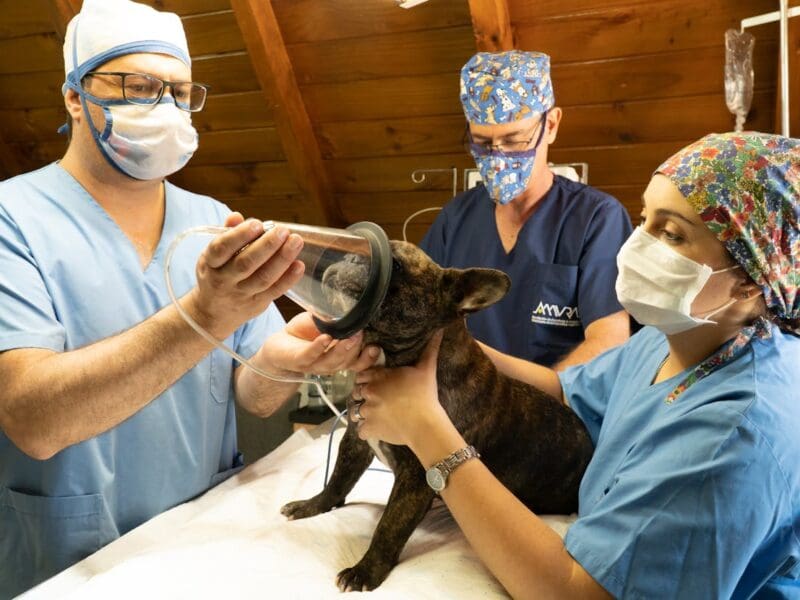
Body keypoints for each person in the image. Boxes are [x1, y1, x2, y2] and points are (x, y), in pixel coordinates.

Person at [0, 0, 378, 596]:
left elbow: (251, 394)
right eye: (139, 87)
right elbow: (33, 421)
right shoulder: (12, 219)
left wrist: (291, 360)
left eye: (179, 92)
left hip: (198, 537)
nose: (166, 109)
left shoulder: (208, 221)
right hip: (73, 558)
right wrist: (204, 314)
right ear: (74, 97)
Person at [353, 132, 800, 598]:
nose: (635, 245)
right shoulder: (678, 340)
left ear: (751, 282)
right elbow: (567, 389)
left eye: (671, 234)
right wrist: (440, 348)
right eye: (642, 218)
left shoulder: (731, 438)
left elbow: (577, 593)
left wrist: (427, 428)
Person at [419, 50, 632, 370]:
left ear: (551, 125)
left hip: (555, 411)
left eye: (515, 140)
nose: (498, 158)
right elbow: (417, 316)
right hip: (460, 414)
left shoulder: (596, 220)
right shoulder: (456, 220)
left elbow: (608, 343)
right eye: (483, 144)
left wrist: (526, 406)